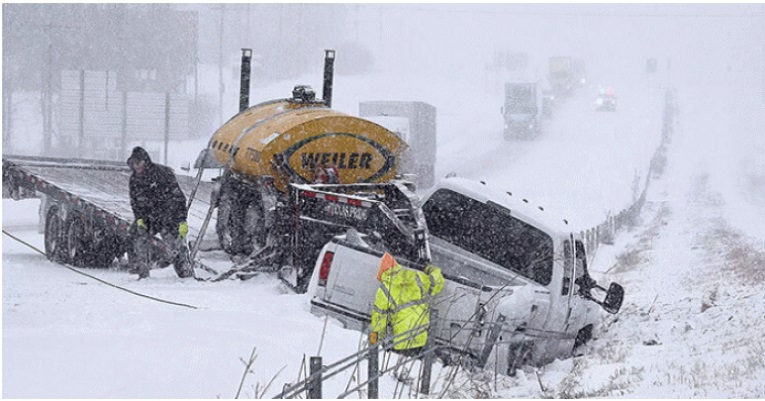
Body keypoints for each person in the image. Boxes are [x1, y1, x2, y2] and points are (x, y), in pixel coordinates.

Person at [126, 146, 192, 279]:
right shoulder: (134, 180)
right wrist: (139, 218)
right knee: (135, 237)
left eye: (139, 162)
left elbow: (178, 198)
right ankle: (142, 273)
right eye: (134, 163)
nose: (137, 166)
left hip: (168, 216)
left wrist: (182, 221)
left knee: (175, 246)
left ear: (146, 161)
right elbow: (135, 202)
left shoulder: (162, 174)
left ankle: (186, 275)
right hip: (148, 218)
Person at [370, 252, 444, 358]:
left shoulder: (385, 288)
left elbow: (378, 321)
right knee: (420, 369)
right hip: (421, 337)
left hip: (402, 341)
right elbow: (438, 282)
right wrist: (431, 269)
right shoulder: (418, 278)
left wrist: (373, 343)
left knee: (403, 366)